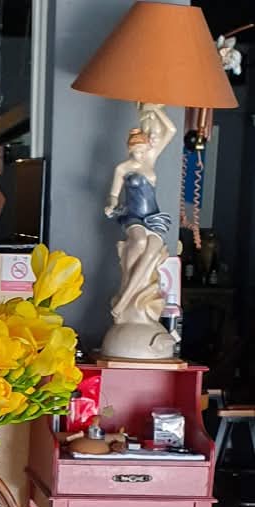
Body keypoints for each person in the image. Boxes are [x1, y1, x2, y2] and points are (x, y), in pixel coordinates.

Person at [102, 105, 177, 356]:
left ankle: (125, 300)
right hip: (133, 216)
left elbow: (171, 130)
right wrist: (111, 204)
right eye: (136, 150)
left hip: (152, 215)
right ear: (129, 149)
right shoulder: (122, 168)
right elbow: (114, 194)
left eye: (143, 150)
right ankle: (125, 300)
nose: (140, 154)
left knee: (155, 249)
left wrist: (155, 109)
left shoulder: (151, 158)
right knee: (139, 243)